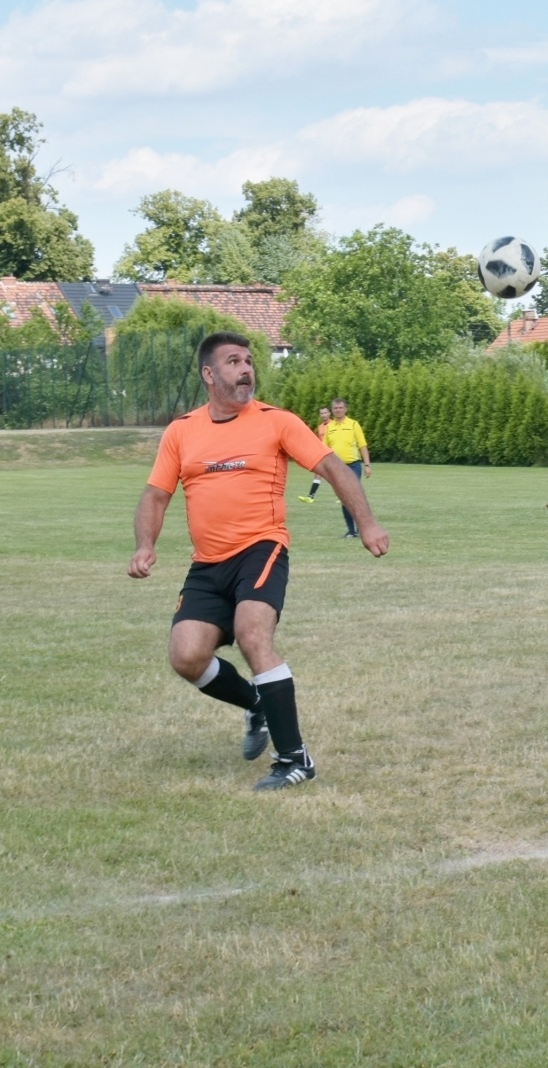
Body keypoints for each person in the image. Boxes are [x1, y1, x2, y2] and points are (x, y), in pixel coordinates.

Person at [128, 332, 390, 790]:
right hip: (207, 564)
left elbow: (332, 467)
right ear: (209, 374)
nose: (246, 369)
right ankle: (256, 704)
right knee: (187, 656)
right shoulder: (181, 431)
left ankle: (294, 758)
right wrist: (145, 545)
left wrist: (366, 523)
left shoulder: (277, 422)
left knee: (252, 633)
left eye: (249, 361)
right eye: (233, 361)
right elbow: (155, 495)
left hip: (260, 548)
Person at [321, 398, 371, 538]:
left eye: (340, 408)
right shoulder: (329, 428)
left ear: (345, 409)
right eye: (335, 408)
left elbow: (362, 445)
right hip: (338, 467)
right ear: (332, 410)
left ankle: (362, 528)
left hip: (353, 465)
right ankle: (351, 530)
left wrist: (367, 465)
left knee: (354, 495)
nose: (338, 410)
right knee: (344, 497)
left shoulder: (353, 424)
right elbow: (324, 449)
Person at [297, 406, 332, 503]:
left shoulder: (334, 425)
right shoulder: (320, 427)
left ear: (329, 413)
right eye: (322, 413)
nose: (324, 415)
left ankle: (342, 498)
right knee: (318, 474)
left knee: (336, 476)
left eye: (325, 413)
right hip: (323, 454)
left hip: (334, 454)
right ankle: (311, 496)